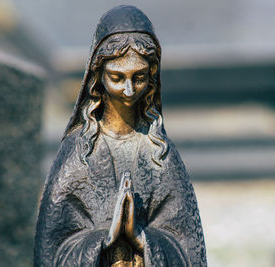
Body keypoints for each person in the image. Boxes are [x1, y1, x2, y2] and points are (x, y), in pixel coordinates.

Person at [34, 5, 206, 267]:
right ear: (98, 77)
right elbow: (53, 250)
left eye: (138, 78)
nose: (128, 90)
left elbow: (188, 249)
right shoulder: (79, 153)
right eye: (117, 77)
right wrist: (106, 240)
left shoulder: (160, 153)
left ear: (152, 76)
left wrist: (143, 241)